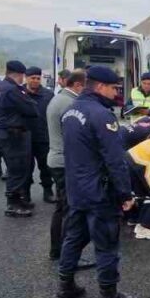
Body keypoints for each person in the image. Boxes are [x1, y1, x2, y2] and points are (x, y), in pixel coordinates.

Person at [59, 65, 137, 298]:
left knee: (73, 239)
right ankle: (109, 295)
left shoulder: (70, 111)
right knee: (106, 245)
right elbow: (115, 160)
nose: (116, 93)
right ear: (101, 86)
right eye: (114, 88)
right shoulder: (102, 116)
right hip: (99, 192)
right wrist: (125, 193)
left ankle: (65, 288)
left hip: (76, 189)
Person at [47, 69, 94, 266]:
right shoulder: (70, 104)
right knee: (71, 212)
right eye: (87, 86)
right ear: (78, 85)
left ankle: (57, 251)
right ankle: (68, 257)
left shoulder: (58, 99)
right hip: (65, 162)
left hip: (55, 159)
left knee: (62, 208)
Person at [0, 60, 39, 217]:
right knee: (17, 168)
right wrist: (30, 101)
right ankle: (12, 204)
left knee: (18, 167)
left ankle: (17, 199)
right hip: (13, 133)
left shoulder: (2, 86)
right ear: (19, 74)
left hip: (10, 132)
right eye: (23, 75)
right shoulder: (12, 90)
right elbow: (31, 109)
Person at [24, 67, 56, 204]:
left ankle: (48, 191)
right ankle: (25, 194)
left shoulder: (48, 95)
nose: (36, 81)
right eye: (33, 78)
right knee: (26, 168)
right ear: (26, 78)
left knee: (46, 167)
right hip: (25, 138)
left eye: (38, 78)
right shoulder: (19, 94)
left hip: (43, 138)